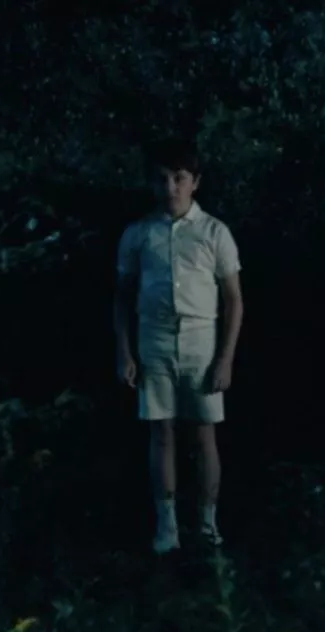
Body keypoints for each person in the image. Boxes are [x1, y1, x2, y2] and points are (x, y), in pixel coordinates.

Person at [113, 138, 244, 554]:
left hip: (201, 339)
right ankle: (166, 527)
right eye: (162, 179)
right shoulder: (138, 233)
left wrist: (225, 358)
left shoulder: (214, 232)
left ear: (195, 182)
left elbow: (234, 300)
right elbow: (122, 297)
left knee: (204, 433)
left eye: (179, 178)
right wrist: (124, 351)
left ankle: (207, 525)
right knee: (161, 431)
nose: (170, 187)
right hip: (153, 337)